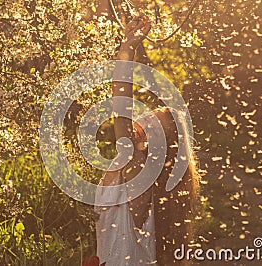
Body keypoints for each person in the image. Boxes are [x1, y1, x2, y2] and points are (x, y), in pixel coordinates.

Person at [94, 13, 200, 265]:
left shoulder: (136, 170)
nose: (143, 122)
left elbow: (120, 104)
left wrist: (127, 47)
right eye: (149, 117)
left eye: (154, 126)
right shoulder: (147, 181)